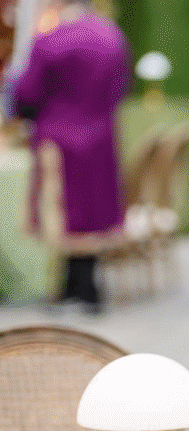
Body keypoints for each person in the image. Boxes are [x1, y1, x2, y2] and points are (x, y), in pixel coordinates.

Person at [7, 0, 130, 314]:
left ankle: (71, 287)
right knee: (91, 210)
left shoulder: (51, 39)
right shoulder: (111, 35)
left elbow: (26, 95)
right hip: (100, 136)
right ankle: (83, 286)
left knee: (62, 211)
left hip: (59, 138)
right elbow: (121, 88)